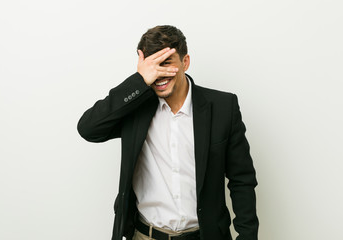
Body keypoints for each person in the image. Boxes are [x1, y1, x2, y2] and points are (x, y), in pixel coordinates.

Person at [77, 25, 258, 240]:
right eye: (153, 67)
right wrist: (139, 80)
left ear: (185, 62)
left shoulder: (222, 107)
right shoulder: (135, 109)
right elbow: (88, 128)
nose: (159, 74)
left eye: (166, 64)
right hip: (146, 235)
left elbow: (242, 179)